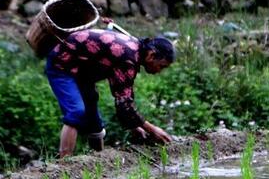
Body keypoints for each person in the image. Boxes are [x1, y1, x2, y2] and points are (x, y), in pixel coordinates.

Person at [45, 18, 174, 158]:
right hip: (62, 66)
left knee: (94, 121)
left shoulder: (134, 50)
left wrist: (134, 125)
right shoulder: (128, 57)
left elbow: (123, 98)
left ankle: (99, 159)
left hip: (82, 73)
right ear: (151, 55)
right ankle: (64, 164)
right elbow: (125, 104)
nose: (159, 71)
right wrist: (153, 129)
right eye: (161, 66)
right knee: (76, 111)